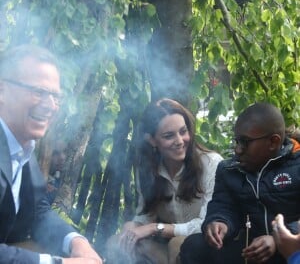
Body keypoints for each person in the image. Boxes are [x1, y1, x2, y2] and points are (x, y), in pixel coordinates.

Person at [0, 44, 103, 264]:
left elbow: (38, 210)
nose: (50, 105)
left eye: (56, 97)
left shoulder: (22, 148)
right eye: (39, 92)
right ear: (2, 91)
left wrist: (76, 241)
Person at [105, 98, 223, 264]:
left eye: (183, 131)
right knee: (116, 243)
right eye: (169, 136)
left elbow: (208, 222)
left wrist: (156, 229)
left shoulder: (211, 163)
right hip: (167, 250)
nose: (180, 141)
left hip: (204, 249)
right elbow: (146, 213)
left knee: (178, 244)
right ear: (152, 140)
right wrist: (134, 226)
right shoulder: (147, 170)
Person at [179, 102, 300, 264]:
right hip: (251, 251)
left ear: (273, 142)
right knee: (194, 246)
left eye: (245, 142)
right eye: (236, 141)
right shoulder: (229, 170)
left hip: (290, 251)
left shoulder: (296, 166)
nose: (238, 150)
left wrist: (276, 240)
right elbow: (223, 206)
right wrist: (220, 222)